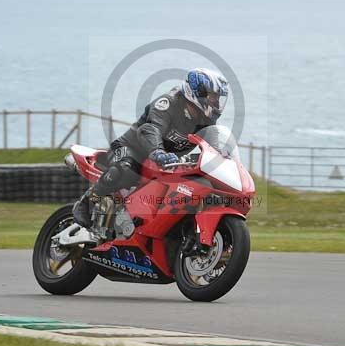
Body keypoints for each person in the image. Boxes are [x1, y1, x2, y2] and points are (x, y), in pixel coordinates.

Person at [72, 68, 229, 228]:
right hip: (131, 148)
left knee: (196, 187)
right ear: (198, 92)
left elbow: (213, 147)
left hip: (165, 161)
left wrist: (223, 158)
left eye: (218, 98)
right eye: (212, 97)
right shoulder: (169, 103)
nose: (216, 102)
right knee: (126, 169)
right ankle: (86, 202)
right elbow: (151, 128)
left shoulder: (206, 120)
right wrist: (157, 151)